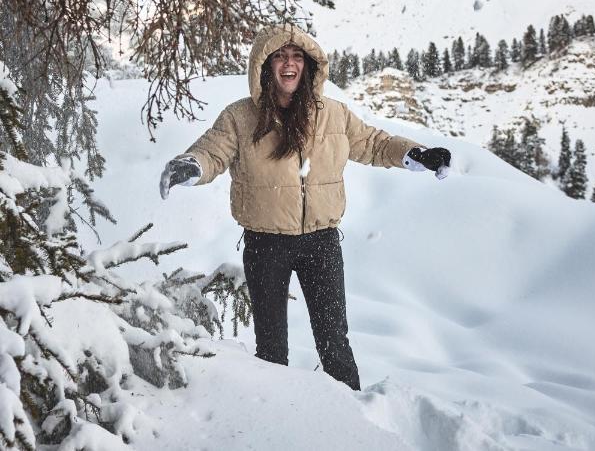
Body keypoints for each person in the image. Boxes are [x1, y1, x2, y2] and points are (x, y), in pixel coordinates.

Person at [159, 23, 451, 391]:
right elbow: (213, 151)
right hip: (266, 246)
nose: (289, 64)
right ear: (264, 65)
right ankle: (281, 425)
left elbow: (374, 143)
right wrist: (192, 165)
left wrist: (415, 154)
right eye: (279, 56)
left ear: (310, 65)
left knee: (335, 345)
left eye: (297, 56)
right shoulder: (240, 117)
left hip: (321, 244)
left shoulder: (334, 115)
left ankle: (352, 423)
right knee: (271, 350)